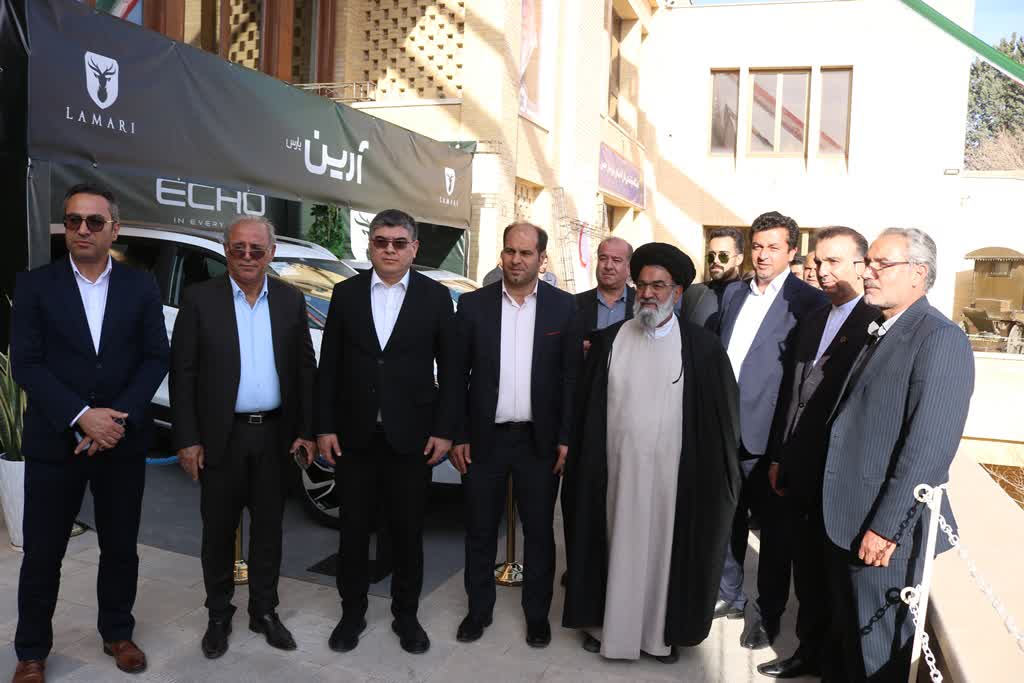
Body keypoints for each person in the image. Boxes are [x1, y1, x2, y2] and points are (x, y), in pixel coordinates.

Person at [10, 183, 169, 683]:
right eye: (73, 220)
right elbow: (26, 363)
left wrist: (114, 420)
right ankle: (31, 652)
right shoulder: (35, 285)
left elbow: (155, 357)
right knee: (43, 553)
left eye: (94, 221)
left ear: (113, 229)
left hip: (120, 442)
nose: (82, 229)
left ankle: (118, 633)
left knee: (120, 546)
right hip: (55, 441)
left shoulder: (141, 286)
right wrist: (82, 415)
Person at [562, 243, 740, 663]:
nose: (648, 294)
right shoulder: (609, 342)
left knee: (663, 557)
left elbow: (721, 425)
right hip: (615, 478)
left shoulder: (702, 349)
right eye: (642, 285)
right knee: (612, 548)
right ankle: (604, 627)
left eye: (659, 286)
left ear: (676, 293)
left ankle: (658, 635)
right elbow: (587, 413)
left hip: (671, 485)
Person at [823, 228, 973, 681]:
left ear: (918, 273)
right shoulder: (882, 329)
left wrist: (886, 528)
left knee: (878, 660)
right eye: (867, 263)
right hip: (845, 520)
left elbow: (928, 448)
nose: (868, 272)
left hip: (886, 536)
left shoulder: (940, 338)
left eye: (881, 264)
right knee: (846, 651)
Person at [170, 216, 316, 659]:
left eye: (256, 249)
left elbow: (304, 370)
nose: (247, 256)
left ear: (271, 253)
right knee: (218, 531)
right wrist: (187, 439)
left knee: (269, 530)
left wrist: (306, 431)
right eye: (238, 248)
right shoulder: (199, 299)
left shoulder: (290, 300)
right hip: (222, 438)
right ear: (226, 250)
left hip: (274, 436)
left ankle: (264, 611)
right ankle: (219, 615)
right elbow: (183, 374)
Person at [315, 209, 459, 655]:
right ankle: (351, 614)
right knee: (353, 531)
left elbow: (452, 370)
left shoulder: (436, 297)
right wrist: (324, 426)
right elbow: (329, 366)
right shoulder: (346, 293)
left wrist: (445, 430)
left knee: (407, 532)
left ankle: (406, 616)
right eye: (381, 242)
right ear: (370, 246)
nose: (390, 250)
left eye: (399, 243)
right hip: (355, 437)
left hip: (411, 439)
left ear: (414, 248)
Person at [754, 227, 877, 679]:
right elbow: (794, 393)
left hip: (841, 476)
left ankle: (832, 663)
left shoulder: (876, 324)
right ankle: (807, 652)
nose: (823, 271)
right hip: (799, 469)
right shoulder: (814, 317)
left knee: (833, 578)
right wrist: (778, 457)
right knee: (805, 570)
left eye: (834, 262)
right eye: (818, 262)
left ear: (861, 266)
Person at [450, 222, 578, 648]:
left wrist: (566, 437)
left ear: (542, 258)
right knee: (479, 529)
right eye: (510, 251)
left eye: (525, 253)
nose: (516, 260)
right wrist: (458, 434)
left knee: (539, 532)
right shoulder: (473, 305)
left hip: (539, 443)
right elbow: (456, 375)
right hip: (484, 439)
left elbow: (571, 379)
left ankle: (537, 615)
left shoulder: (563, 308)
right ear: (502, 254)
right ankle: (478, 610)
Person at [716, 211, 827, 649]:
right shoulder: (733, 293)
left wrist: (786, 447)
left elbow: (804, 381)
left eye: (773, 248)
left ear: (792, 251)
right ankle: (728, 594)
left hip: (770, 441)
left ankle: (767, 614)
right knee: (725, 520)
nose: (762, 255)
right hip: (724, 431)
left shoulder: (808, 303)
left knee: (775, 537)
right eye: (757, 246)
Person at [574, 236, 636, 345]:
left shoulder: (642, 303)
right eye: (603, 258)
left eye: (616, 260)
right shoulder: (573, 304)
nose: (608, 266)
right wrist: (577, 348)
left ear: (629, 267)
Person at [680, 227, 744, 330]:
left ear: (739, 259)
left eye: (723, 256)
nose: (715, 260)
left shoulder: (748, 297)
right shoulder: (691, 293)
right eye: (711, 256)